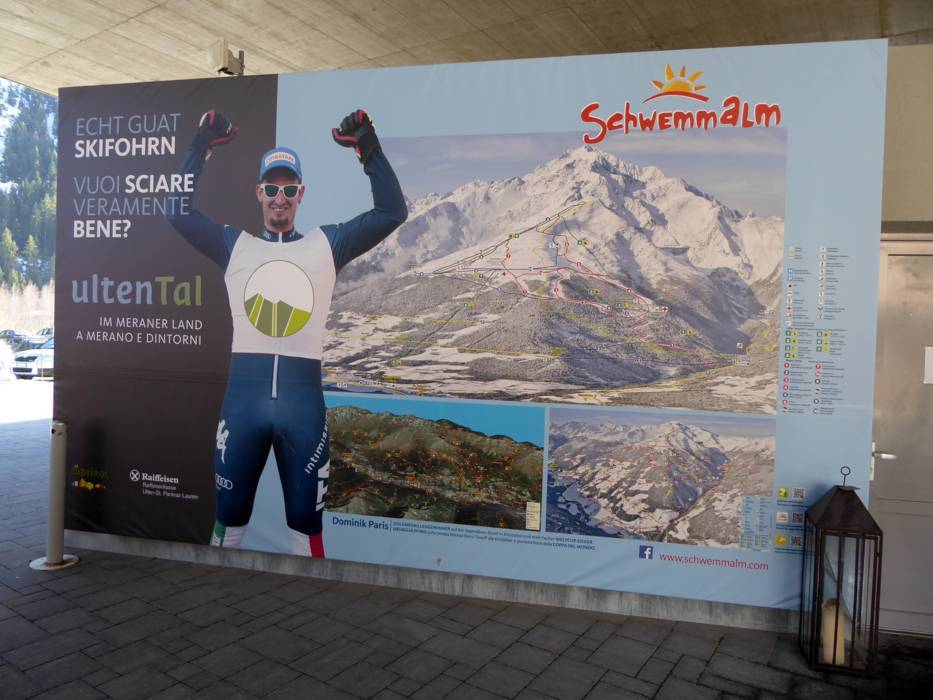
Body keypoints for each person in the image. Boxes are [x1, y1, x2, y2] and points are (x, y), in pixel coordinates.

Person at [168, 109, 407, 557]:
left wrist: (368, 146)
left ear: (301, 193)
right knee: (227, 527)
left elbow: (392, 211)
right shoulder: (234, 245)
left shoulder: (326, 244)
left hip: (304, 412)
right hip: (242, 409)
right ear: (259, 192)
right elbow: (176, 212)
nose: (281, 198)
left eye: (290, 189)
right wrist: (200, 146)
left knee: (307, 534)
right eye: (272, 188)